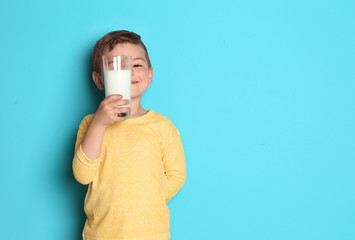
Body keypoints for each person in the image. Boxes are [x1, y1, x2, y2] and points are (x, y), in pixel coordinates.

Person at [72, 30, 187, 240]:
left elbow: (177, 174)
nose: (129, 73)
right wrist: (99, 123)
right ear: (99, 80)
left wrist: (147, 196)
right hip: (102, 234)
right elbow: (82, 175)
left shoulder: (161, 126)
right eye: (118, 67)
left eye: (136, 65)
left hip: (151, 234)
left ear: (150, 74)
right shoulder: (90, 123)